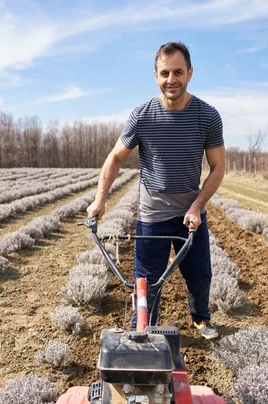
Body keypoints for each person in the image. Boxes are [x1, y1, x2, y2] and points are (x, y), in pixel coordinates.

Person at [87, 41, 225, 339]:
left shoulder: (207, 116)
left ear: (189, 73)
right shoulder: (142, 116)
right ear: (156, 76)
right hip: (152, 216)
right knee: (146, 283)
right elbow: (115, 157)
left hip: (190, 213)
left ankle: (201, 318)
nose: (171, 79)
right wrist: (100, 199)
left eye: (178, 72)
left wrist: (196, 206)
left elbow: (218, 168)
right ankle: (145, 330)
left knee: (200, 275)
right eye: (165, 73)